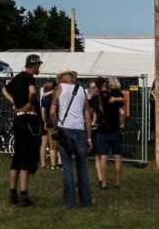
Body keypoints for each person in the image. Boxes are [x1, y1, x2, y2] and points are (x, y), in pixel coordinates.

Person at [1, 54, 43, 206]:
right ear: (34, 65)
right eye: (39, 65)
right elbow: (32, 92)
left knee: (17, 155)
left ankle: (12, 193)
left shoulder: (18, 77)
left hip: (18, 120)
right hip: (29, 120)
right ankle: (24, 195)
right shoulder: (29, 78)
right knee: (26, 156)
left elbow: (4, 89)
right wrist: (30, 104)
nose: (39, 68)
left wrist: (14, 102)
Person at [51, 68, 93, 208]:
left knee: (67, 166)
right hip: (80, 130)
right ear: (72, 77)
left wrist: (56, 127)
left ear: (61, 78)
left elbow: (52, 112)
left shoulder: (58, 89)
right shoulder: (82, 90)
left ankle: (69, 202)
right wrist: (89, 138)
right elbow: (87, 115)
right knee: (82, 166)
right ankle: (86, 201)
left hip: (65, 129)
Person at [92, 77, 126, 189]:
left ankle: (104, 184)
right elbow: (122, 109)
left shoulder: (96, 98)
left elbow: (93, 111)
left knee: (103, 158)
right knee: (118, 157)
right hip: (116, 129)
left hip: (103, 131)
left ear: (97, 86)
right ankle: (117, 183)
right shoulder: (115, 95)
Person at [39, 79, 60, 170]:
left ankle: (43, 164)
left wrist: (44, 121)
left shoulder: (44, 97)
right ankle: (55, 164)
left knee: (45, 143)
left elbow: (42, 111)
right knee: (55, 144)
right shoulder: (56, 96)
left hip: (46, 121)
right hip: (54, 121)